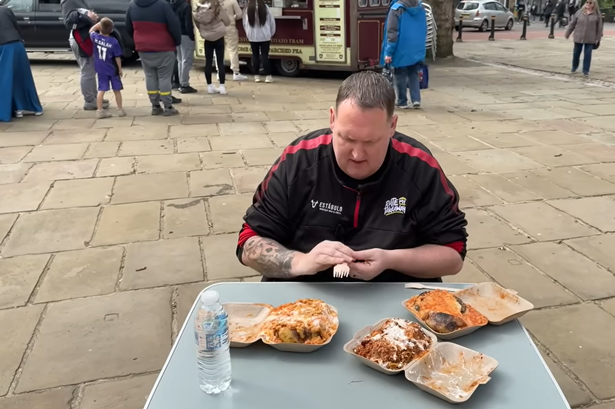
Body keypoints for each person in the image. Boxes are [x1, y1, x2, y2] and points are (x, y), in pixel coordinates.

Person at [235, 71, 468, 283]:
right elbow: (248, 242)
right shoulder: (298, 160)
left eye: (371, 142)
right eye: (346, 138)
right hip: (303, 302)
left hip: (393, 298)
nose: (357, 154)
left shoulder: (419, 167)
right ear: (332, 119)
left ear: (392, 126)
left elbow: (453, 253)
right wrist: (302, 262)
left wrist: (390, 260)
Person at [126, 0, 182, 116]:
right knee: (164, 77)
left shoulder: (132, 5)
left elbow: (128, 27)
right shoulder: (163, 5)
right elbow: (174, 25)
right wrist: (177, 41)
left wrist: (138, 40)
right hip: (163, 46)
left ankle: (155, 106)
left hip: (143, 47)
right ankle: (168, 106)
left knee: (150, 76)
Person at [61, 0, 109, 111]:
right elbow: (69, 22)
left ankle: (94, 97)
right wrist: (89, 18)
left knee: (90, 69)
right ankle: (89, 101)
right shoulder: (68, 1)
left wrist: (93, 17)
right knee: (87, 70)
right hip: (80, 40)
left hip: (85, 38)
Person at [381, 0, 427, 109]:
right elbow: (424, 28)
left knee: (399, 74)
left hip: (401, 47)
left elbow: (392, 32)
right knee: (413, 73)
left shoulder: (396, 9)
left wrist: (388, 52)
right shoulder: (421, 8)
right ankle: (416, 99)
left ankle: (402, 101)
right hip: (416, 47)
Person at [0, 5, 43, 122]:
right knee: (22, 76)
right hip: (16, 44)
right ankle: (31, 107)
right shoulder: (5, 9)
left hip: (3, 46)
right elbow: (16, 27)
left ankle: (9, 110)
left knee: (5, 78)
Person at [89, 18, 125, 119]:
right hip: (112, 69)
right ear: (112, 30)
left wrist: (97, 25)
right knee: (117, 89)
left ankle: (99, 110)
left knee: (101, 89)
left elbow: (90, 31)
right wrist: (120, 69)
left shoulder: (95, 37)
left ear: (99, 27)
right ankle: (120, 109)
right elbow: (117, 57)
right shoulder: (114, 41)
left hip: (100, 68)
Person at [194, 0, 231, 94]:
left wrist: (205, 31)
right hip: (219, 38)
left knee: (208, 62)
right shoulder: (218, 8)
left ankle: (209, 86)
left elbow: (197, 24)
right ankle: (222, 87)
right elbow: (227, 22)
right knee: (220, 62)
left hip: (207, 39)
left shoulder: (199, 9)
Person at [565, 0, 602, 76]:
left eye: (590, 3)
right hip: (579, 36)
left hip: (590, 38)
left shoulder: (597, 14)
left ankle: (585, 70)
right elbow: (572, 23)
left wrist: (598, 38)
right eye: (587, 2)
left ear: (594, 4)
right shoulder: (579, 12)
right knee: (576, 53)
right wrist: (568, 33)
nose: (588, 4)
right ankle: (574, 67)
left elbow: (599, 27)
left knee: (588, 54)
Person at [243, 0, 276, 83]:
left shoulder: (248, 9)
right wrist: (271, 33)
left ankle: (256, 76)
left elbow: (245, 23)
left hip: (252, 36)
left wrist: (248, 33)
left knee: (255, 55)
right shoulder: (265, 8)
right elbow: (272, 22)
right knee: (264, 55)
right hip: (265, 36)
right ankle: (268, 76)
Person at [170, 0, 198, 93]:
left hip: (176, 35)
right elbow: (188, 23)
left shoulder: (171, 5)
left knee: (180, 60)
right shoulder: (185, 6)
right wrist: (192, 37)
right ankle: (184, 84)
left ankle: (179, 82)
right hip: (185, 34)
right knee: (186, 60)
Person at [222, 0, 247, 81]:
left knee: (219, 50)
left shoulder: (215, 1)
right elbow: (239, 14)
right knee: (233, 50)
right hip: (230, 26)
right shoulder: (232, 1)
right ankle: (235, 72)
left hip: (218, 28)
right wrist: (233, 16)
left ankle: (220, 73)